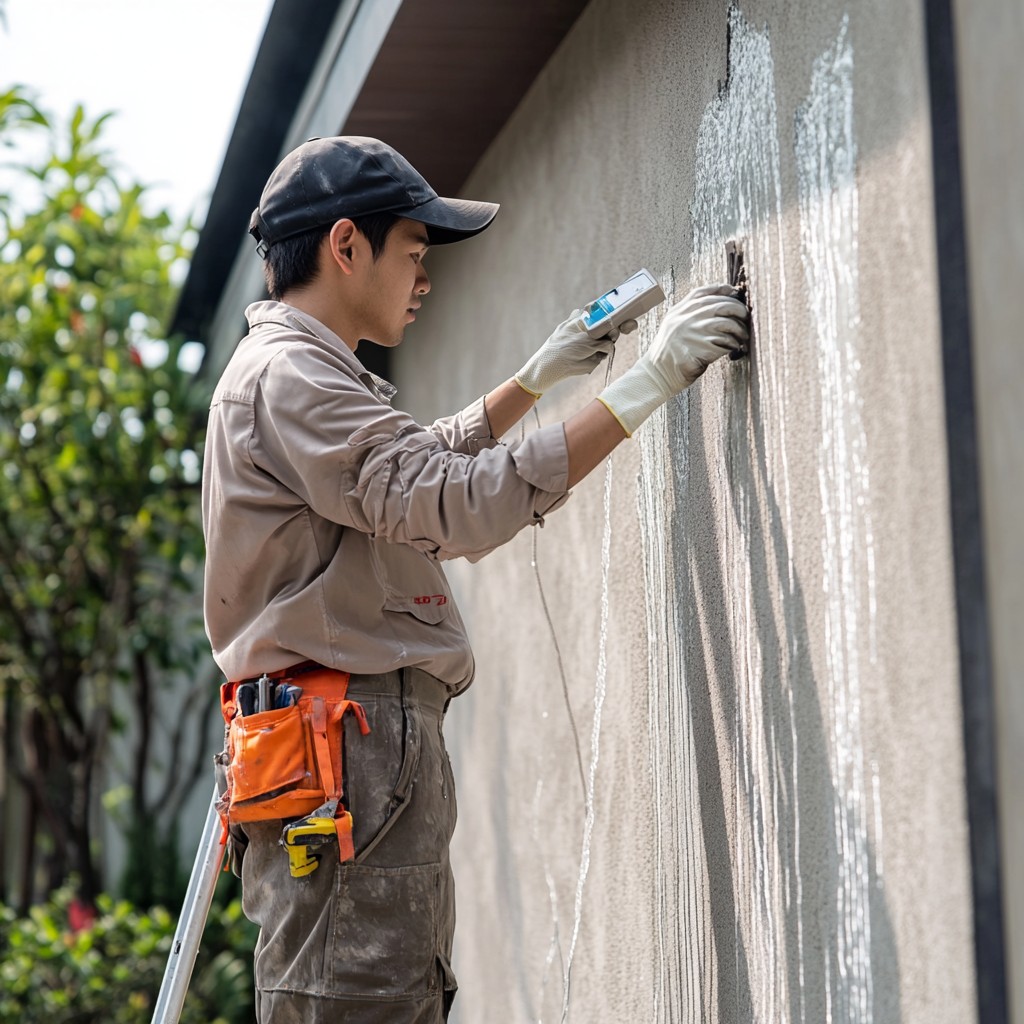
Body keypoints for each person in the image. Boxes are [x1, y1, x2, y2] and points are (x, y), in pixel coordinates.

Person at [201, 135, 749, 1023]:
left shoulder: (308, 370)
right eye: (413, 254)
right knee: (364, 1003)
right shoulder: (290, 376)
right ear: (346, 246)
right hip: (349, 750)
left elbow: (406, 473)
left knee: (392, 997)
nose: (425, 280)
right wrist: (647, 383)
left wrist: (533, 381)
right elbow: (446, 505)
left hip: (361, 747)